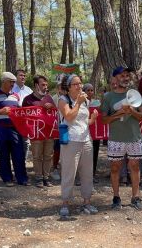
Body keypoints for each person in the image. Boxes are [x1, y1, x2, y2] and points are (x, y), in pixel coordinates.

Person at [101, 66, 142, 210]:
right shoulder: (108, 97)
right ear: (115, 78)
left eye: (127, 75)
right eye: (122, 76)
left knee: (134, 166)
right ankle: (116, 197)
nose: (125, 78)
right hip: (116, 138)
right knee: (115, 168)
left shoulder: (135, 94)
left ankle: (136, 196)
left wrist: (131, 111)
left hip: (134, 137)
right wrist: (118, 113)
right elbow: (104, 120)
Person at [58, 74, 98, 217]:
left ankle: (87, 202)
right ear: (68, 87)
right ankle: (65, 203)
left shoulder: (84, 100)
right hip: (71, 141)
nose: (80, 86)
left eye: (80, 83)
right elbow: (69, 116)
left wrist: (92, 119)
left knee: (87, 173)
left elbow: (83, 121)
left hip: (86, 140)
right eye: (75, 84)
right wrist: (79, 103)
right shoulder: (63, 100)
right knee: (69, 173)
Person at [0, 72, 29, 187]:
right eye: (11, 82)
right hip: (0, 129)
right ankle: (7, 179)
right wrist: (0, 111)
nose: (13, 84)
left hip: (15, 129)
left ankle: (22, 179)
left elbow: (20, 112)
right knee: (3, 155)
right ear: (4, 81)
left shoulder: (16, 96)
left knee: (19, 154)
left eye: (13, 82)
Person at [22, 75, 56, 188]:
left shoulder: (49, 98)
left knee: (48, 155)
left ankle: (46, 177)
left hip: (49, 133)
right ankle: (38, 178)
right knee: (37, 156)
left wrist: (51, 106)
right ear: (36, 85)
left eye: (46, 85)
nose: (45, 87)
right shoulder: (27, 100)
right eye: (43, 84)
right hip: (35, 133)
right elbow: (24, 116)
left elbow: (55, 113)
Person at [83, 83, 101, 183]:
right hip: (84, 132)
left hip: (95, 133)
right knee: (84, 155)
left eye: (91, 90)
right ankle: (82, 177)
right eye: (88, 90)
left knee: (94, 153)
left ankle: (92, 175)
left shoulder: (97, 102)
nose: (90, 92)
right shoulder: (80, 102)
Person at [50, 81, 65, 181]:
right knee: (57, 148)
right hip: (56, 126)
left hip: (66, 126)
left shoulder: (68, 98)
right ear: (57, 88)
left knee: (65, 147)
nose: (62, 89)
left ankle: (65, 169)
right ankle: (54, 168)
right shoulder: (53, 98)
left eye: (64, 87)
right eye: (60, 87)